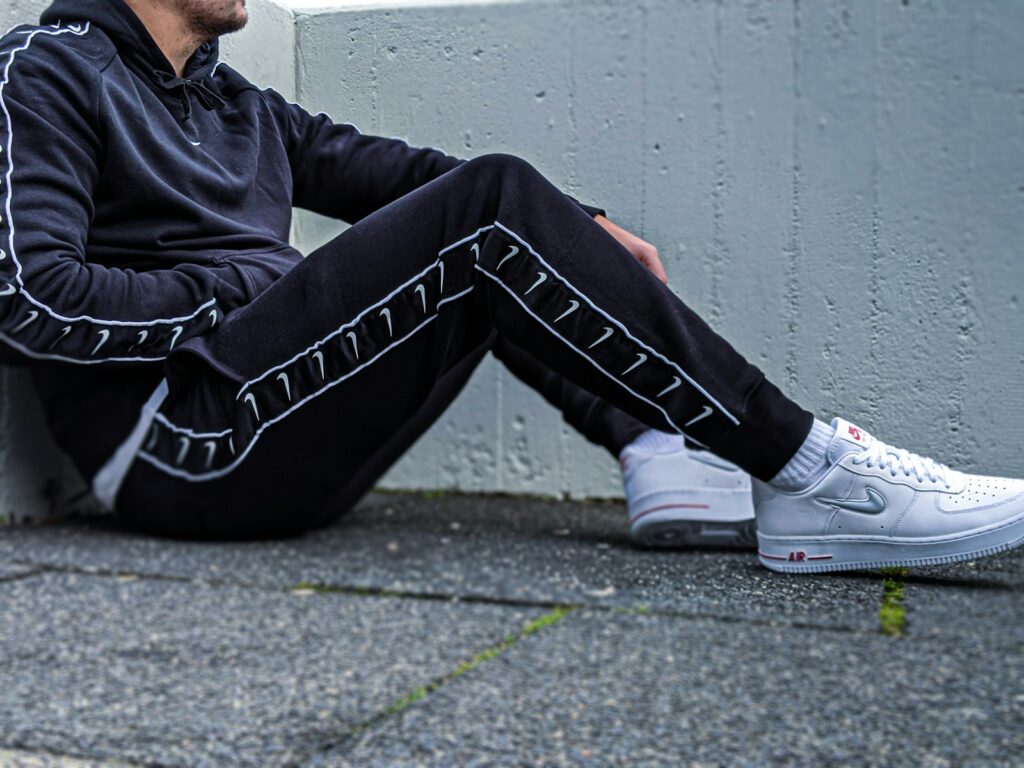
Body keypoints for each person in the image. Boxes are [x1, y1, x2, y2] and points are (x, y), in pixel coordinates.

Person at [2, 0, 1021, 574]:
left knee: (492, 215)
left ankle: (653, 442)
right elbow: (27, 299)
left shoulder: (242, 106)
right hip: (176, 452)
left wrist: (575, 225)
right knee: (490, 206)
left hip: (270, 437)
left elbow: (403, 180)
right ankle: (812, 474)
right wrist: (241, 288)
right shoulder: (44, 72)